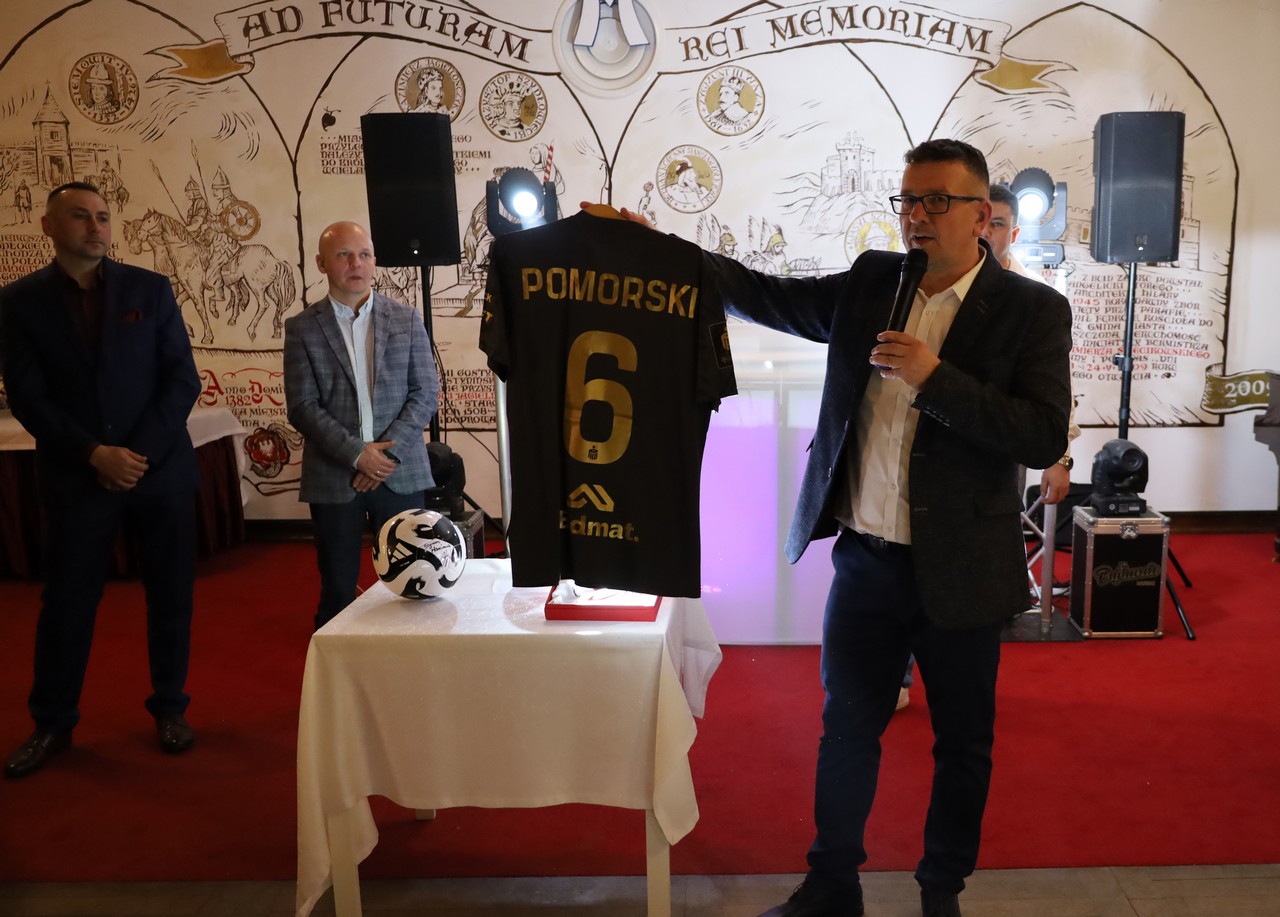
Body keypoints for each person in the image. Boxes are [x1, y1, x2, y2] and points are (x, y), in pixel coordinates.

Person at [658, 139, 1071, 917]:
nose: (917, 216)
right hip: (866, 562)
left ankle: (940, 890)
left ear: (982, 215)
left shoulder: (1031, 311)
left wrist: (933, 377)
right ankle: (832, 883)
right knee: (845, 729)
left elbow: (1041, 431)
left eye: (937, 200)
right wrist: (657, 249)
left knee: (962, 744)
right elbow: (760, 293)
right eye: (908, 200)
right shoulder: (874, 284)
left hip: (963, 569)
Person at [0, 182, 201, 778]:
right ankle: (53, 722)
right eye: (80, 216)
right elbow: (28, 397)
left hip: (158, 472)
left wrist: (135, 454)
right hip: (77, 475)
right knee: (66, 603)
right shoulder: (18, 302)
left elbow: (181, 380)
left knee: (170, 597)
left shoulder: (150, 289)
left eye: (103, 216)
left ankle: (171, 708)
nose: (95, 226)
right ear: (48, 226)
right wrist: (93, 454)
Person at [283, 221, 438, 631]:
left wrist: (384, 458)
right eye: (343, 255)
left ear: (374, 261)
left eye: (364, 254)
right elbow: (302, 406)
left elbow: (425, 393)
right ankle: (336, 668)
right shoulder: (301, 328)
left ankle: (412, 659)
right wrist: (357, 455)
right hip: (335, 476)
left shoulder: (406, 319)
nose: (356, 264)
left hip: (400, 473)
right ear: (322, 264)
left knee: (413, 581)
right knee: (337, 587)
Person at [983, 182, 1079, 507]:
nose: (986, 231)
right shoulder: (944, 285)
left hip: (1009, 438)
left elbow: (1059, 385)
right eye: (981, 220)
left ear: (1014, 234)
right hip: (948, 436)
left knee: (1001, 524)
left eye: (997, 224)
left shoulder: (1039, 299)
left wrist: (1060, 457)